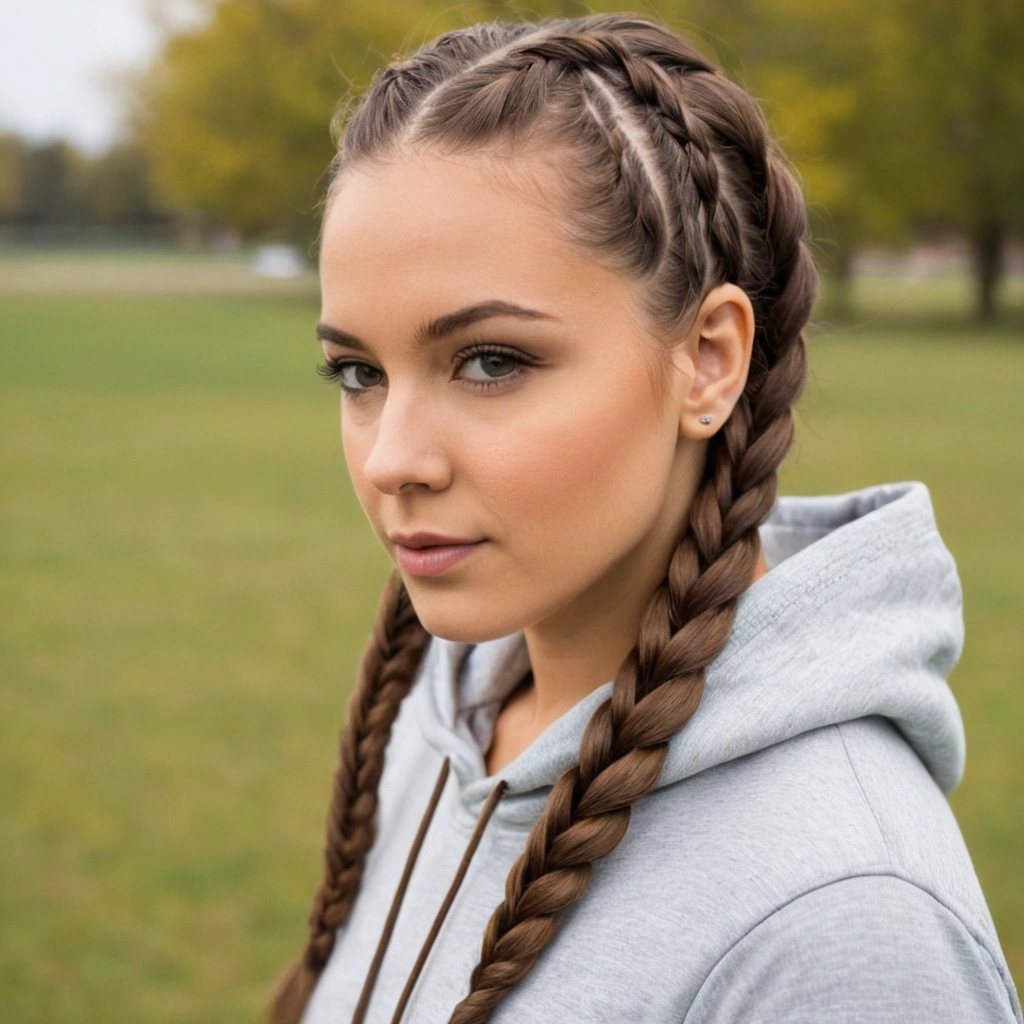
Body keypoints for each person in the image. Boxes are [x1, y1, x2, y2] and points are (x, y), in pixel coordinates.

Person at [269, 12, 1022, 1024]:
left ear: (707, 359)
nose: (393, 459)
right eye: (358, 373)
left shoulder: (849, 924)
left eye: (491, 361)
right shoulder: (435, 716)